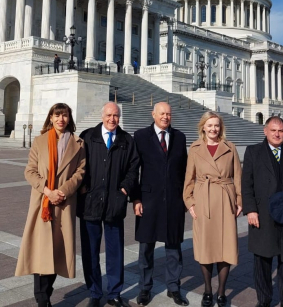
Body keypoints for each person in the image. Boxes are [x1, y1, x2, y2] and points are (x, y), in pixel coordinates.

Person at [15, 103, 86, 307]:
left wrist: (62, 191)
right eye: (57, 115)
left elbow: (80, 173)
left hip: (64, 203)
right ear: (51, 118)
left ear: (69, 118)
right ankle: (42, 298)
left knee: (57, 251)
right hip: (43, 203)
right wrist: (47, 191)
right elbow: (30, 171)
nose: (61, 119)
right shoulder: (39, 141)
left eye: (64, 115)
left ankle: (47, 291)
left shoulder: (78, 143)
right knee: (41, 252)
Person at [241, 116, 283, 307]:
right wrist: (251, 211)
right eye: (273, 130)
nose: (277, 134)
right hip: (263, 215)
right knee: (262, 261)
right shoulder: (253, 152)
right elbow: (247, 184)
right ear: (265, 131)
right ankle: (264, 300)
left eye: (280, 130)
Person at [78, 102, 139, 307]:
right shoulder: (88, 137)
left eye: (116, 116)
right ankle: (95, 293)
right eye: (109, 115)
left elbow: (133, 167)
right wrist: (83, 185)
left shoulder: (126, 140)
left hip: (115, 203)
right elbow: (77, 165)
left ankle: (114, 293)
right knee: (91, 251)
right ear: (102, 115)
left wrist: (124, 189)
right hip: (90, 203)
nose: (112, 119)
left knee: (115, 252)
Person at [183, 111, 242, 307]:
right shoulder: (195, 148)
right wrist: (190, 202)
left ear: (221, 127)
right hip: (203, 200)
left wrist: (239, 200)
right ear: (203, 127)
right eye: (209, 125)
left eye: (216, 125)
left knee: (225, 247)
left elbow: (238, 176)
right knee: (205, 247)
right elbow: (189, 179)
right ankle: (208, 290)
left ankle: (222, 290)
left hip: (225, 199)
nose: (213, 129)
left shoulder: (230, 147)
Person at [133, 102, 188, 306]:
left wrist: (186, 197)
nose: (165, 117)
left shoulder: (180, 137)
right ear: (153, 114)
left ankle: (174, 288)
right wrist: (136, 198)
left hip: (174, 200)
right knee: (146, 247)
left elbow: (184, 171)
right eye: (162, 113)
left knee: (174, 248)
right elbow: (134, 170)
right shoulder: (140, 136)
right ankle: (145, 288)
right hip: (148, 201)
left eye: (168, 114)